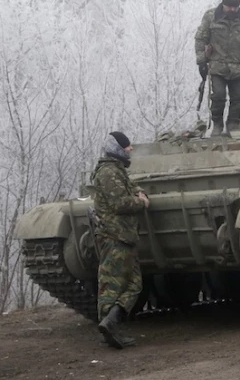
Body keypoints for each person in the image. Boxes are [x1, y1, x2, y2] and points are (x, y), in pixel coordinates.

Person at [91, 131, 149, 349]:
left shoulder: (116, 170)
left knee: (133, 284)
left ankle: (110, 322)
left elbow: (129, 188)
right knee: (112, 285)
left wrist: (138, 192)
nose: (130, 150)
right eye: (126, 147)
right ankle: (109, 327)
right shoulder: (108, 172)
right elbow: (120, 203)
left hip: (124, 236)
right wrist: (141, 203)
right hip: (114, 235)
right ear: (117, 149)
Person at [194, 0, 240, 137]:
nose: (232, 10)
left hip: (238, 66)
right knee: (218, 96)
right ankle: (217, 124)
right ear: (223, 4)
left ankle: (233, 125)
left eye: (235, 7)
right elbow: (200, 39)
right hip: (218, 65)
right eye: (229, 6)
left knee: (238, 98)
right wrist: (201, 62)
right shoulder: (211, 17)